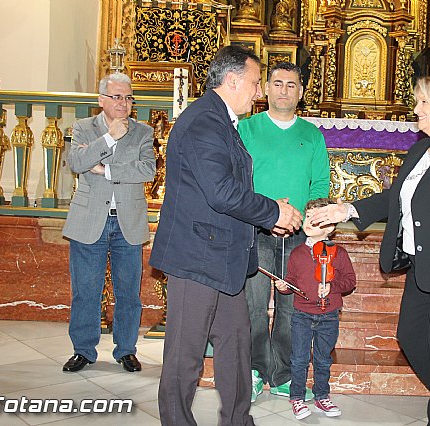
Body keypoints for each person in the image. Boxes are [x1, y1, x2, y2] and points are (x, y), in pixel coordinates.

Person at [310, 72, 430, 425]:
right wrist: (347, 209)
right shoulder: (419, 150)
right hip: (423, 267)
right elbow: (394, 198)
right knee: (410, 337)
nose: (417, 109)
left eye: (424, 102)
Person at [148, 45, 303, 426]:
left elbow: (227, 190)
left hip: (225, 258)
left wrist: (268, 213)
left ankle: (238, 420)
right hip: (197, 258)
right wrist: (273, 212)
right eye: (254, 83)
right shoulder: (203, 122)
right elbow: (220, 192)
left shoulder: (221, 120)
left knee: (235, 349)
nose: (258, 92)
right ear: (232, 80)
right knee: (185, 357)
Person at [238, 61, 330, 403]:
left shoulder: (312, 135)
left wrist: (306, 218)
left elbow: (320, 183)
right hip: (257, 230)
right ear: (266, 88)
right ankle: (254, 371)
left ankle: (283, 375)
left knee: (293, 311)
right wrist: (267, 211)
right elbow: (238, 180)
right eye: (277, 83)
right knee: (254, 304)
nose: (284, 90)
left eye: (291, 85)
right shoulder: (247, 129)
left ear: (301, 92)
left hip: (299, 237)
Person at [62, 73, 156, 373]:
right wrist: (108, 139)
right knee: (85, 290)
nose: (123, 103)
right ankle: (83, 350)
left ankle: (126, 349)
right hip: (89, 219)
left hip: (127, 220)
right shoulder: (83, 128)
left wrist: (106, 169)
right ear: (101, 100)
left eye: (129, 98)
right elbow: (76, 163)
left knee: (128, 291)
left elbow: (147, 170)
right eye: (117, 97)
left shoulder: (143, 132)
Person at [273, 198, 356, 420]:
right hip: (301, 315)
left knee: (322, 359)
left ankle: (322, 396)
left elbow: (350, 281)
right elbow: (291, 281)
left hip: (329, 316)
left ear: (330, 226)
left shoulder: (339, 253)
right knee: (299, 359)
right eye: (307, 216)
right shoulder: (297, 253)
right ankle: (297, 398)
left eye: (315, 218)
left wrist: (332, 286)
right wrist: (284, 287)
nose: (308, 221)